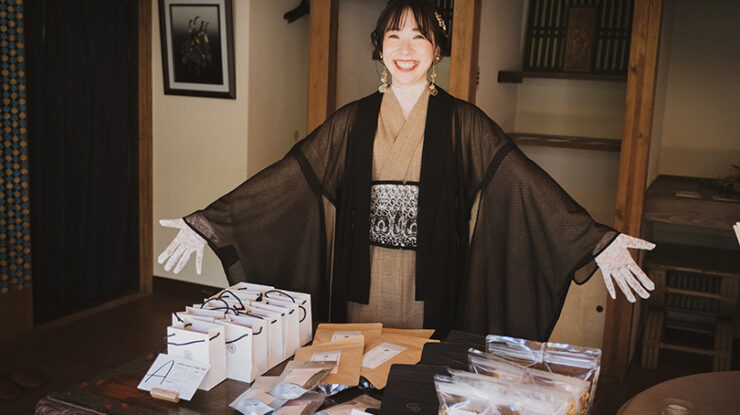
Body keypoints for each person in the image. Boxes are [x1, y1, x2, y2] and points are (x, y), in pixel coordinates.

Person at [158, 0, 655, 340]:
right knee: (359, 373)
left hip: (432, 278)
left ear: (437, 50)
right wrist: (212, 221)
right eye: (394, 36)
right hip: (361, 277)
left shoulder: (464, 122)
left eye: (420, 37)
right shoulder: (352, 120)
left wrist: (594, 240)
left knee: (421, 380)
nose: (405, 48)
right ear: (380, 48)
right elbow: (292, 175)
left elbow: (521, 179)